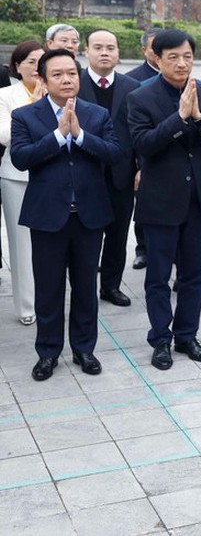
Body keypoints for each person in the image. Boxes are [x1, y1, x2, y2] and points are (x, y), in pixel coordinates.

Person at [10, 48, 123, 381]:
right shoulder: (26, 116)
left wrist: (80, 135)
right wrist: (59, 135)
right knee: (48, 289)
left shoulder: (96, 115)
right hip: (47, 217)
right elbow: (21, 158)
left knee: (86, 286)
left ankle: (84, 350)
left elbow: (115, 153)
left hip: (89, 215)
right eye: (57, 74)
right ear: (42, 80)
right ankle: (47, 353)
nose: (66, 79)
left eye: (71, 73)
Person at [128, 29, 201, 370]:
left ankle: (187, 335)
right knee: (157, 276)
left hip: (199, 199)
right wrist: (179, 117)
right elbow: (143, 144)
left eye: (187, 56)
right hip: (160, 201)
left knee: (194, 274)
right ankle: (160, 339)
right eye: (173, 57)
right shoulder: (140, 97)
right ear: (156, 58)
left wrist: (199, 118)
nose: (182, 63)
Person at [77, 30, 140, 307]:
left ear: (118, 53)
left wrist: (141, 167)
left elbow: (139, 131)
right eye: (98, 47)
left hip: (121, 174)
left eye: (111, 48)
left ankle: (111, 286)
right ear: (86, 51)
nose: (105, 52)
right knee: (84, 235)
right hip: (83, 172)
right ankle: (83, 287)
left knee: (117, 234)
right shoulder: (73, 84)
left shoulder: (132, 86)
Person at [0, 41, 45, 326]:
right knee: (22, 245)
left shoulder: (60, 93)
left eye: (42, 62)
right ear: (17, 66)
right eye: (30, 61)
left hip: (52, 175)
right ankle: (27, 306)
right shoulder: (5, 95)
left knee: (52, 244)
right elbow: (7, 135)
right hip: (16, 176)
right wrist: (36, 108)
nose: (36, 68)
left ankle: (50, 300)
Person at [127, 29, 160, 270]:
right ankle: (143, 248)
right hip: (144, 153)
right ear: (144, 50)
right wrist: (138, 164)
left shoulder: (184, 80)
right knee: (144, 205)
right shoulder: (133, 80)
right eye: (154, 48)